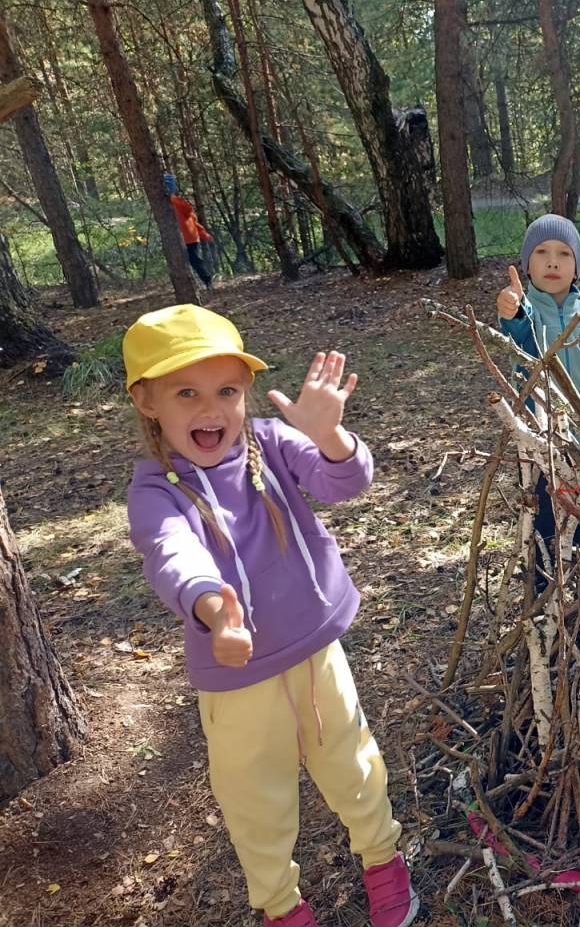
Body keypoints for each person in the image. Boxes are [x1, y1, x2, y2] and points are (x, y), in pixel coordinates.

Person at [123, 304, 418, 927]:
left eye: (227, 390)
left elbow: (344, 482)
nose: (212, 410)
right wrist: (213, 610)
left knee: (353, 761)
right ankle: (281, 905)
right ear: (147, 401)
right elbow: (168, 551)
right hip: (238, 679)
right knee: (256, 800)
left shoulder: (273, 442)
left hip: (316, 651)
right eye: (186, 393)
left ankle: (383, 859)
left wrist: (329, 436)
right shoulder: (155, 489)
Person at [496, 213, 580, 593]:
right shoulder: (526, 317)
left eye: (563, 253)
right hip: (540, 447)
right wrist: (510, 308)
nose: (552, 261)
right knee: (542, 524)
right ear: (527, 265)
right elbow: (514, 325)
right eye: (541, 252)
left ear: (577, 267)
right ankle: (544, 599)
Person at [164, 172, 215, 288]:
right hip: (176, 240)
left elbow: (192, 219)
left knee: (194, 260)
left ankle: (207, 280)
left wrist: (205, 235)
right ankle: (188, 284)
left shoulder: (178, 202)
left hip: (190, 238)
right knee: (179, 262)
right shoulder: (163, 206)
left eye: (168, 187)